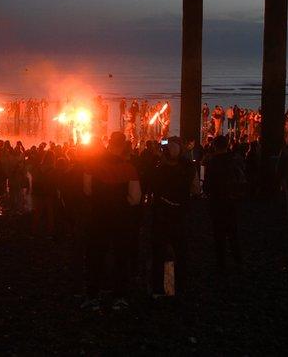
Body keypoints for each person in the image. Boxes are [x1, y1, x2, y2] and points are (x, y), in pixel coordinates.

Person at [82, 132, 141, 311]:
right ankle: (120, 297)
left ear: (108, 143)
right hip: (121, 218)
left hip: (98, 217)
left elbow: (87, 191)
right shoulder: (129, 168)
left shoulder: (92, 165)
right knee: (121, 256)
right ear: (123, 146)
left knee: (96, 256)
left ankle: (93, 295)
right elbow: (135, 198)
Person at [149, 139, 196, 296]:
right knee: (181, 252)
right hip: (180, 214)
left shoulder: (158, 171)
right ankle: (179, 287)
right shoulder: (188, 169)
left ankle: (159, 288)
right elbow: (195, 189)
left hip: (161, 215)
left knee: (159, 253)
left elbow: (152, 189)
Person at [203, 135, 243, 274]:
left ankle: (221, 263)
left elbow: (207, 185)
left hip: (216, 202)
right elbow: (240, 179)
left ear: (214, 146)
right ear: (227, 146)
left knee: (218, 234)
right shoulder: (233, 161)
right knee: (233, 232)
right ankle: (238, 259)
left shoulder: (212, 163)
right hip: (230, 201)